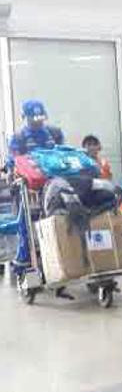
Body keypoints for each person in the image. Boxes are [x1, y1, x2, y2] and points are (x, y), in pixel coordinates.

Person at [7, 100, 65, 278]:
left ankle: (62, 258)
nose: (38, 121)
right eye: (33, 118)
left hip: (53, 187)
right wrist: (13, 173)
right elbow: (14, 161)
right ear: (25, 117)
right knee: (26, 224)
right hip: (29, 188)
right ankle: (22, 264)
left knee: (61, 219)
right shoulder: (19, 138)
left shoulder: (54, 134)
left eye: (40, 117)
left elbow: (63, 155)